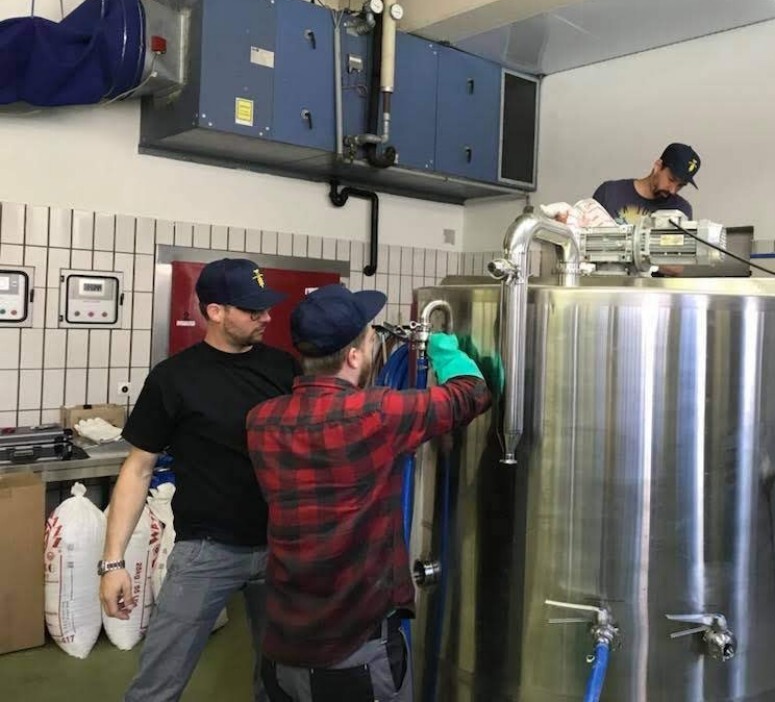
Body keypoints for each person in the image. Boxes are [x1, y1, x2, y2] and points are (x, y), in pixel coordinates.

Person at [246, 284, 492, 702]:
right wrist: (445, 351)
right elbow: (472, 393)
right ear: (355, 356)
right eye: (369, 335)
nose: (375, 341)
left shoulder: (261, 420)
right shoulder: (377, 414)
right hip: (356, 650)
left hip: (283, 641)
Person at [99, 258, 299, 702]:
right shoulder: (174, 378)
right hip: (206, 552)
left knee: (282, 680)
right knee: (157, 684)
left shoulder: (285, 369)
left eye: (266, 307)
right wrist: (113, 564)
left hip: (280, 549)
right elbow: (137, 468)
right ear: (215, 311)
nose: (266, 317)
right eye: (252, 310)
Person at [592, 142, 702, 224]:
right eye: (671, 179)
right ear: (658, 166)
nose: (673, 190)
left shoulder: (681, 210)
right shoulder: (609, 193)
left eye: (680, 185)